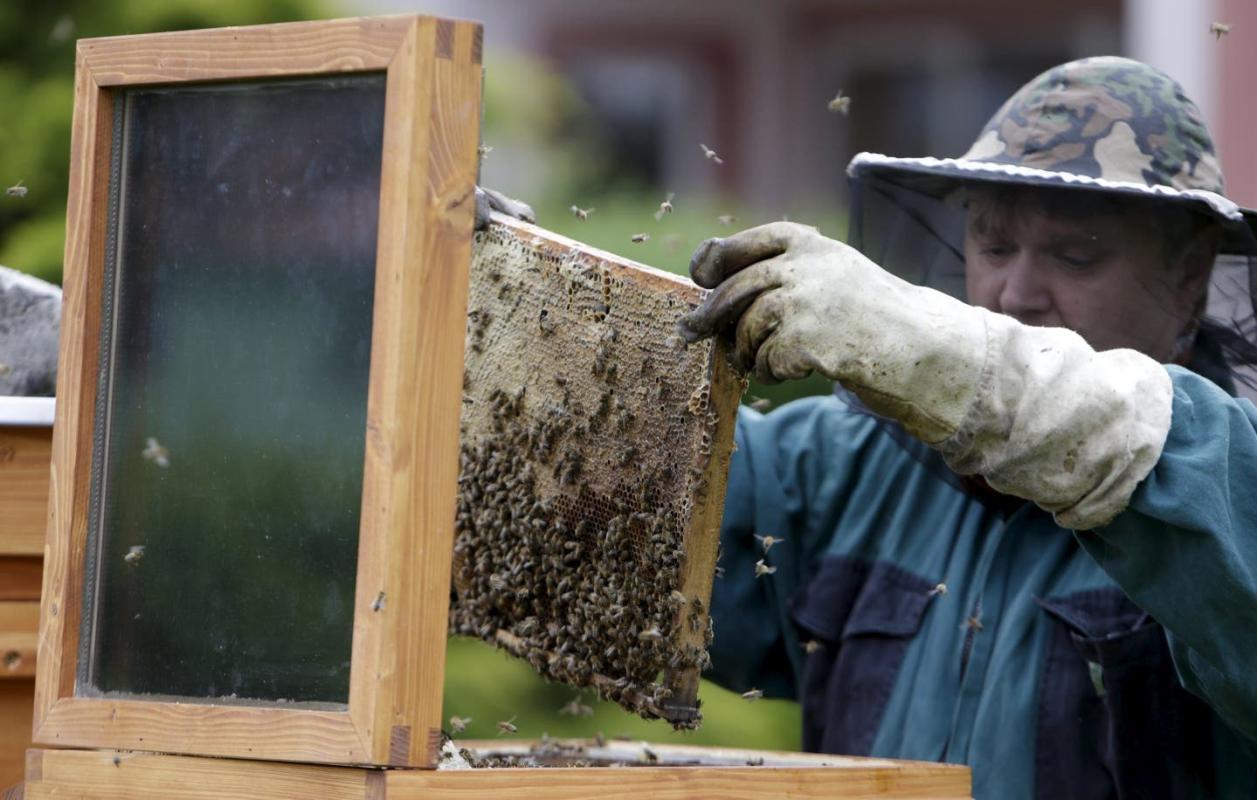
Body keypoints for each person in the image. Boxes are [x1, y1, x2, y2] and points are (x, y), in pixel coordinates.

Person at [679, 56, 1257, 799]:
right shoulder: (844, 469)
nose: (1014, 295)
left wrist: (955, 363)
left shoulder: (1227, 499)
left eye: (1075, 254)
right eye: (992, 245)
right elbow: (657, 490)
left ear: (1188, 276)